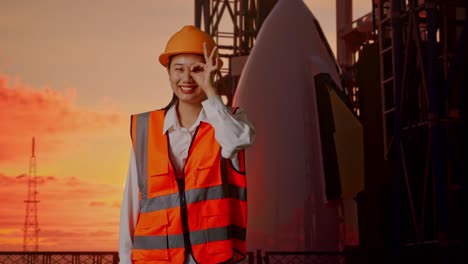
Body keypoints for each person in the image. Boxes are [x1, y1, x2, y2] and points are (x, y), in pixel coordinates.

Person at [119, 25, 255, 264]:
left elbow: (235, 142)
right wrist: (124, 260)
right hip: (154, 260)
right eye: (178, 69)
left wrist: (211, 91)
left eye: (198, 70)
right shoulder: (145, 127)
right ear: (169, 73)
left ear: (211, 71)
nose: (187, 78)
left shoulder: (231, 119)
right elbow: (131, 204)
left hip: (214, 259)